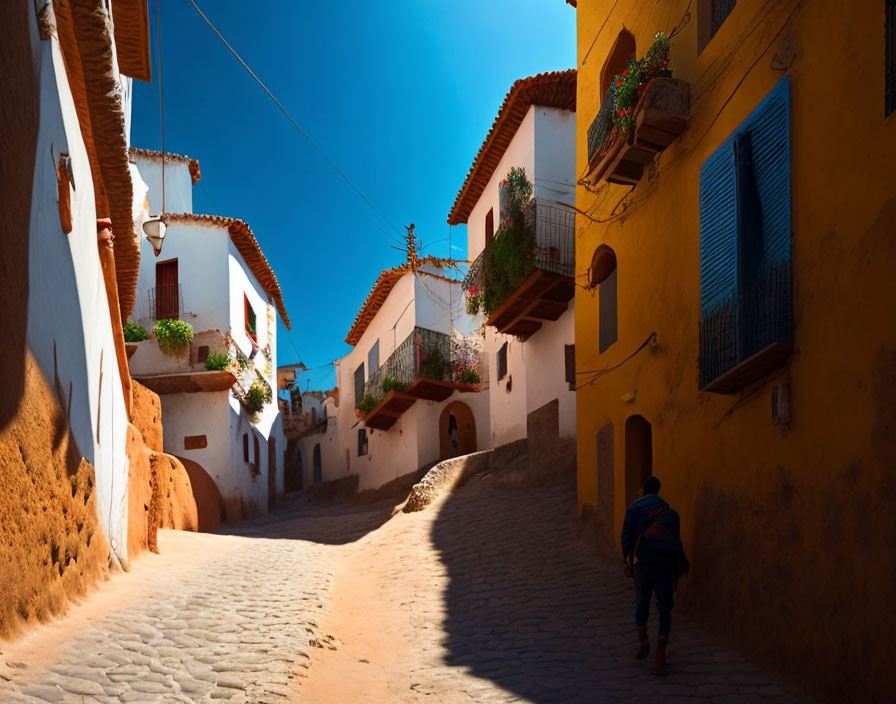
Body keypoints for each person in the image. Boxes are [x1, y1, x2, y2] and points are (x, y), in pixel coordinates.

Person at [620, 476, 684, 676]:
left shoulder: (635, 508)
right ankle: (660, 649)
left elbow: (626, 536)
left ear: (643, 490)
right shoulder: (666, 510)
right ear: (658, 490)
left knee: (642, 602)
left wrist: (627, 561)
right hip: (664, 563)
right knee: (665, 606)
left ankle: (644, 639)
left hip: (642, 562)